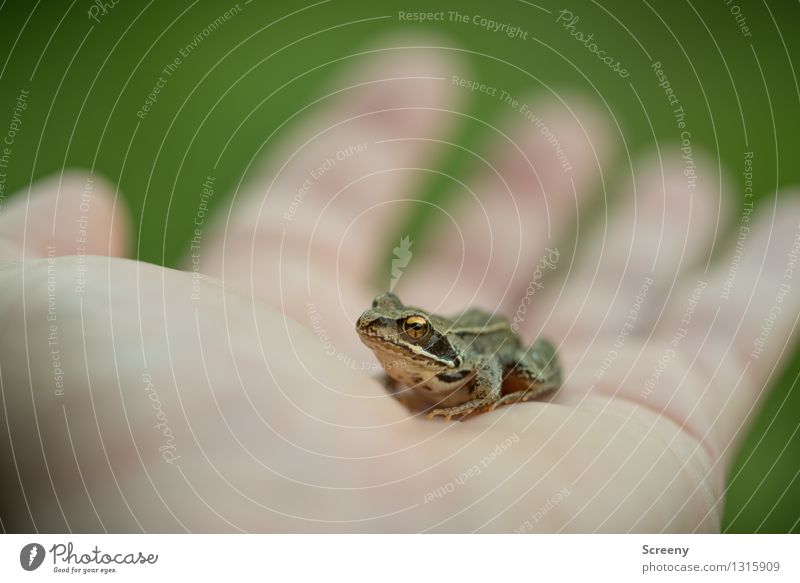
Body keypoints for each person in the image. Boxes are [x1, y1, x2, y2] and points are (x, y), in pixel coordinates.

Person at [1, 40, 798, 532]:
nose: (391, 332)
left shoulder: (451, 355)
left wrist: (473, 400)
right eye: (393, 322)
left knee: (532, 369)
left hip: (492, 338)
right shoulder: (404, 355)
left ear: (424, 331)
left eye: (405, 325)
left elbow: (486, 371)